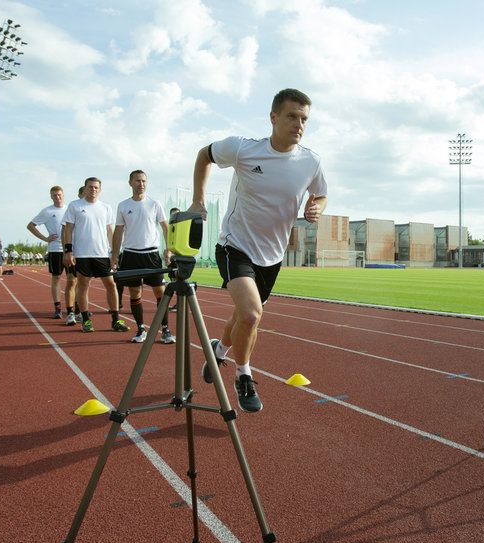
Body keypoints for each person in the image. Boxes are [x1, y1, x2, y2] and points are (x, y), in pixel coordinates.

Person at [190, 88, 328, 413]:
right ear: (274, 117)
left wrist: (317, 207)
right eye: (292, 116)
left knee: (242, 317)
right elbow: (203, 155)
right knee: (252, 314)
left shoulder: (311, 161)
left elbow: (321, 194)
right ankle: (243, 375)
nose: (299, 124)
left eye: (304, 119)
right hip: (234, 245)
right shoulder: (242, 149)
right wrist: (198, 199)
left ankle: (219, 350)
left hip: (273, 255)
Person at [111, 170, 174, 344]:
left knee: (160, 293)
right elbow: (118, 231)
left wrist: (168, 249)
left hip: (151, 255)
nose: (141, 184)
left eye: (144, 181)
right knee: (134, 293)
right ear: (130, 182)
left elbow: (166, 228)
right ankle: (141, 329)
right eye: (138, 180)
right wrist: (115, 255)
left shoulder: (155, 204)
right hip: (131, 255)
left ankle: (165, 330)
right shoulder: (123, 205)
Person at [62, 177, 127, 334]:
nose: (93, 190)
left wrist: (114, 253)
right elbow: (68, 229)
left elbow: (110, 231)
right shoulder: (74, 206)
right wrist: (68, 251)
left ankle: (116, 319)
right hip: (82, 254)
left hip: (102, 254)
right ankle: (86, 320)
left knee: (111, 284)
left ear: (100, 190)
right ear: (85, 188)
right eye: (90, 187)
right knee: (83, 285)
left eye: (96, 187)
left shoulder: (106, 207)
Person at [28, 185, 72, 319]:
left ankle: (73, 309)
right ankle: (58, 307)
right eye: (54, 195)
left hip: (70, 249)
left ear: (63, 195)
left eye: (59, 194)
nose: (57, 197)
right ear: (51, 196)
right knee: (56, 278)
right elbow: (30, 226)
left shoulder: (70, 209)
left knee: (73, 280)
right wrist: (45, 238)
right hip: (55, 249)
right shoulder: (47, 211)